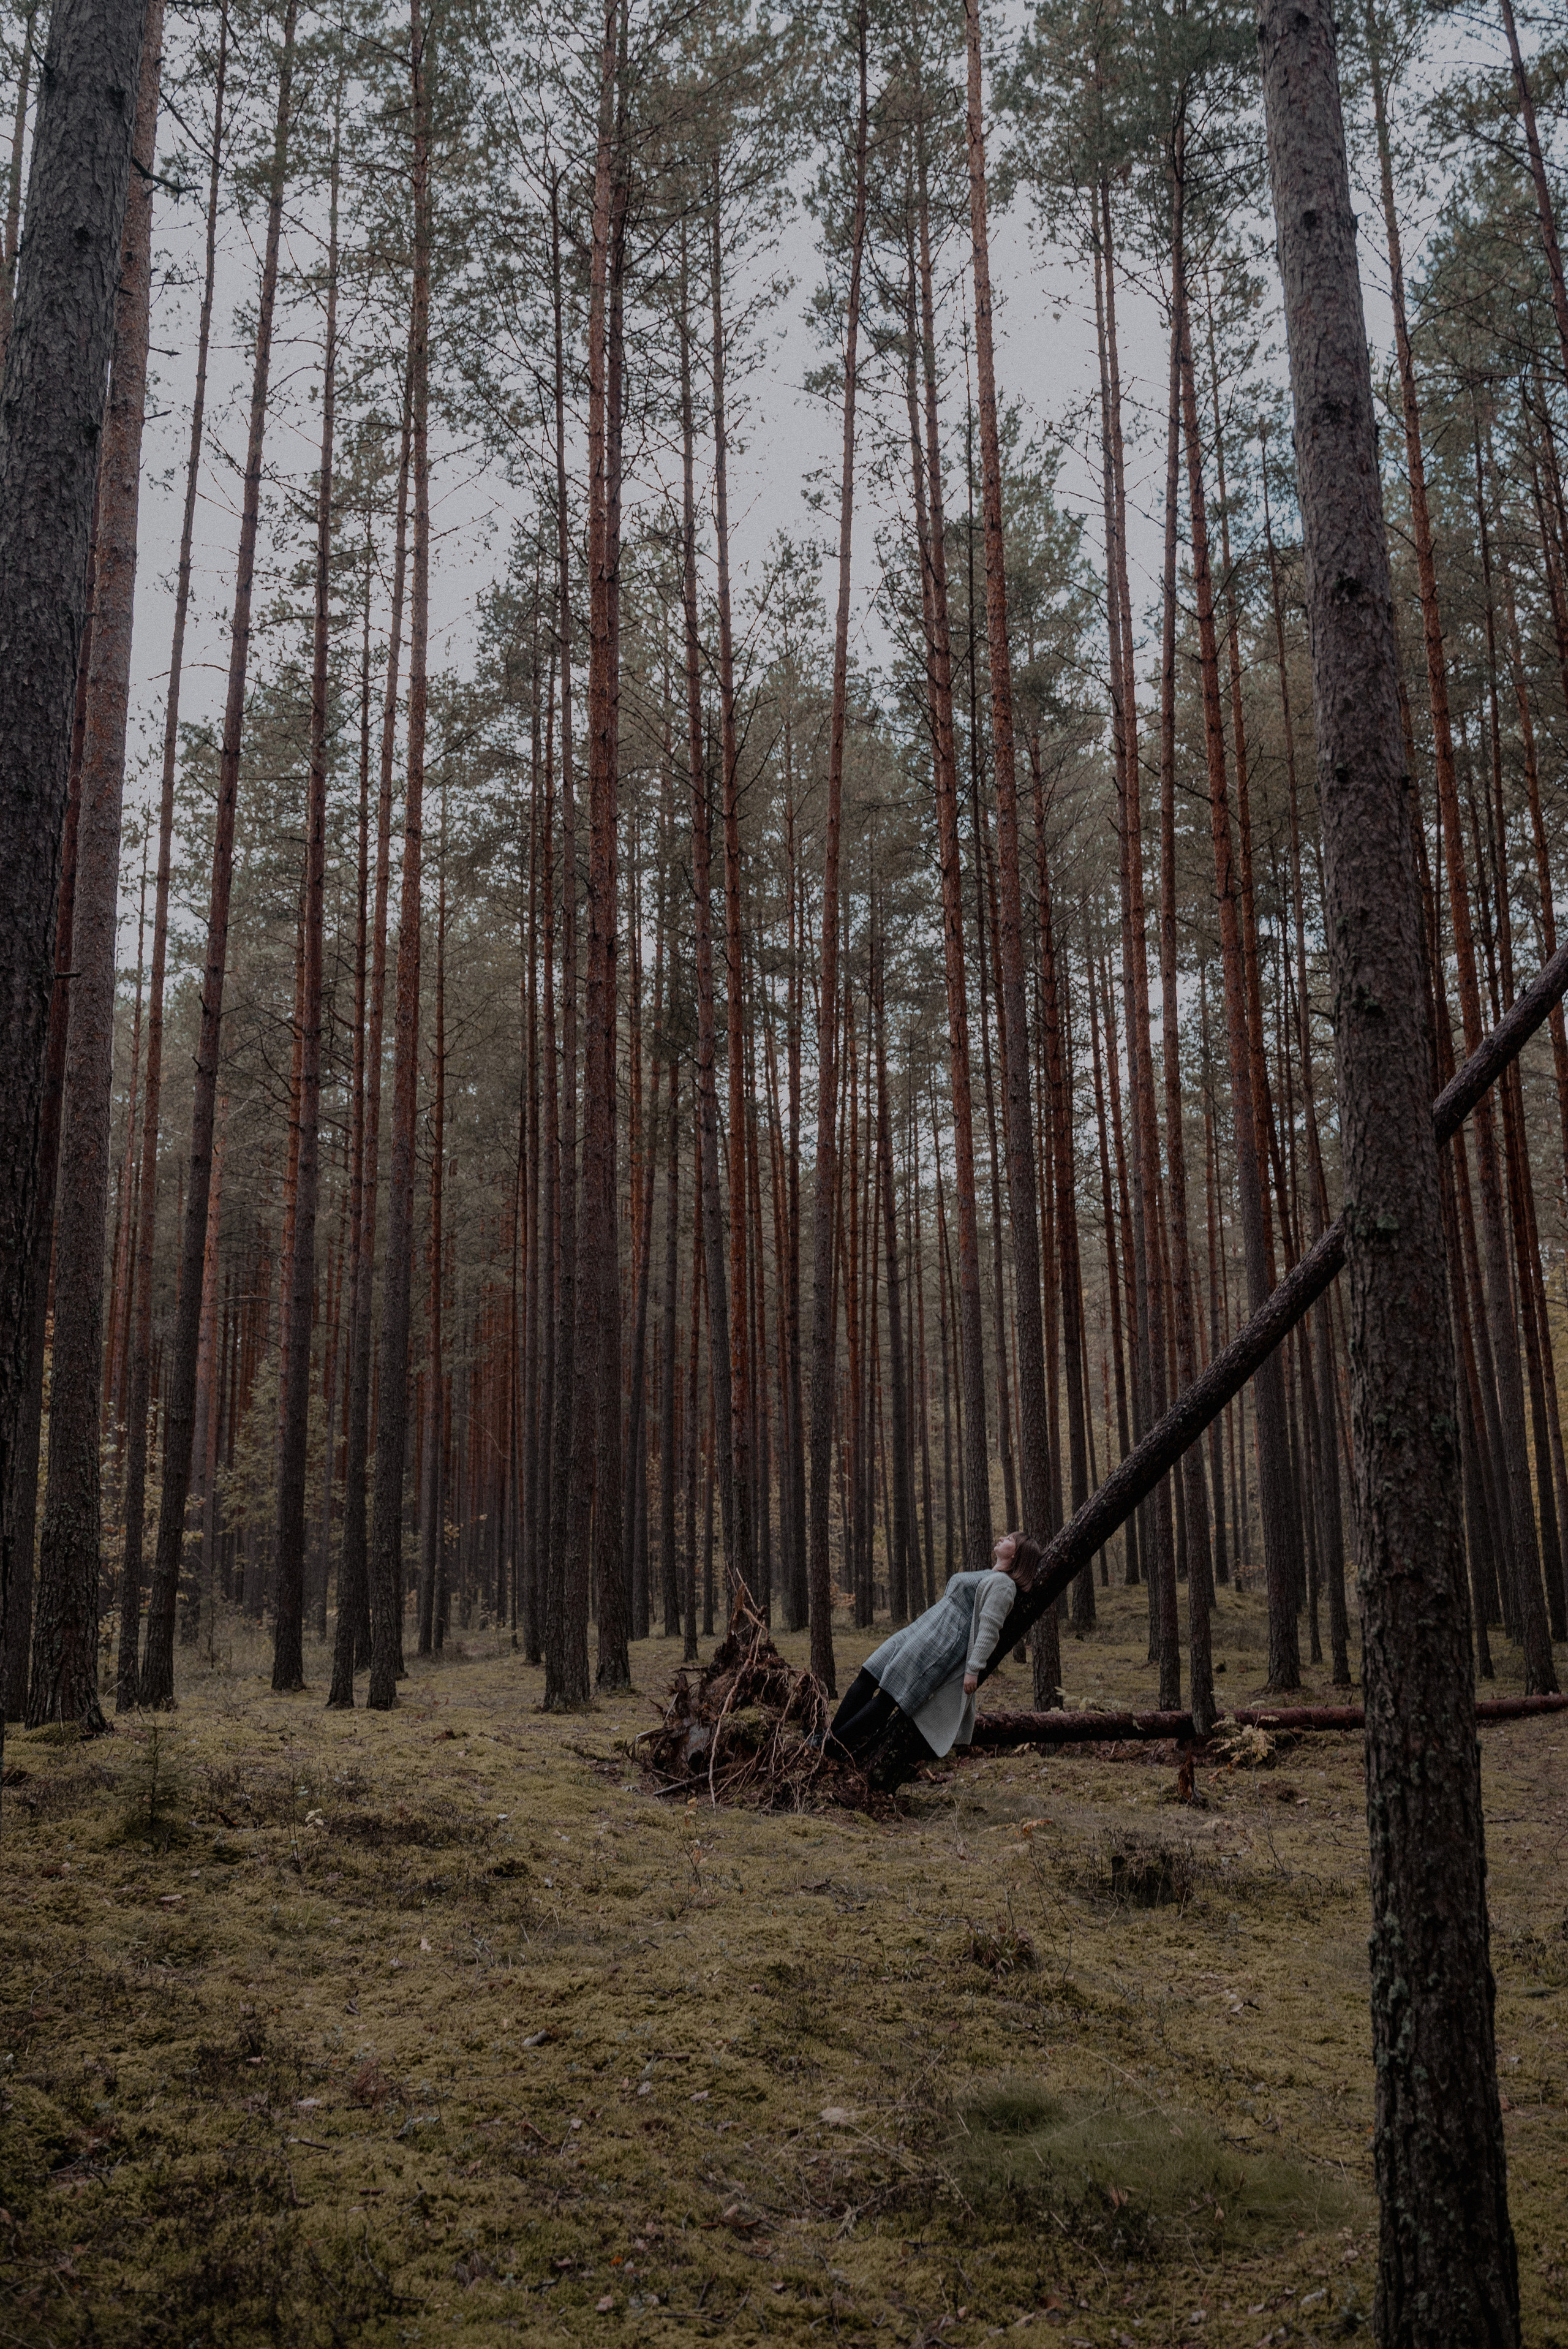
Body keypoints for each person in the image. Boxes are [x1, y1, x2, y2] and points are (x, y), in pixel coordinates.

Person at [824, 1532, 1042, 1777]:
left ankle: (831, 1746)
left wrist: (973, 1669)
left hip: (940, 1642)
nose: (1002, 1537)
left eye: (1010, 1539)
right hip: (924, 1627)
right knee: (868, 1675)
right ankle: (829, 1737)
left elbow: (990, 1628)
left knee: (889, 1697)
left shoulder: (1004, 1586)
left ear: (1016, 1554)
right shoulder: (991, 1575)